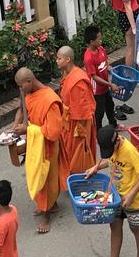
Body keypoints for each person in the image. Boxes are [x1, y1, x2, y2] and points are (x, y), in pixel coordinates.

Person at [86, 125, 139, 257]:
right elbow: (110, 162)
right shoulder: (112, 149)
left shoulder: (128, 150)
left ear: (117, 141)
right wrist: (96, 167)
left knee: (136, 228)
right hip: (115, 197)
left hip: (133, 200)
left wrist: (131, 194)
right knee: (114, 226)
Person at [11, 67, 64, 234]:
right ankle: (49, 205)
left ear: (29, 81)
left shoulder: (50, 100)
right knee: (38, 175)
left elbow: (53, 132)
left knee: (45, 179)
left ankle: (46, 215)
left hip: (47, 146)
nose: (20, 90)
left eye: (21, 86)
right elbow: (22, 108)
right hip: (35, 143)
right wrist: (14, 127)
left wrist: (28, 130)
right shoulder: (28, 93)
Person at [57, 45, 98, 186]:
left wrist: (80, 132)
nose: (56, 60)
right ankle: (73, 178)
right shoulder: (67, 74)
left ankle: (81, 179)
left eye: (59, 58)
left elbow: (83, 111)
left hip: (78, 126)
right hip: (68, 121)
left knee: (78, 153)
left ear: (68, 59)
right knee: (68, 153)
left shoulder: (78, 80)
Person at [110, 0, 139, 91]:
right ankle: (130, 74)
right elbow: (127, 7)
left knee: (131, 47)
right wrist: (133, 26)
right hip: (128, 16)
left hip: (127, 14)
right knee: (130, 47)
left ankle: (132, 71)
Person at [83, 25, 123, 129]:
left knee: (110, 106)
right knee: (99, 112)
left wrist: (114, 72)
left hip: (105, 86)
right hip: (96, 90)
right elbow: (94, 77)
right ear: (92, 41)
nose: (101, 40)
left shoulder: (101, 49)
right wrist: (110, 85)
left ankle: (114, 125)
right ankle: (98, 132)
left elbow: (106, 65)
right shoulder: (88, 58)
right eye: (99, 39)